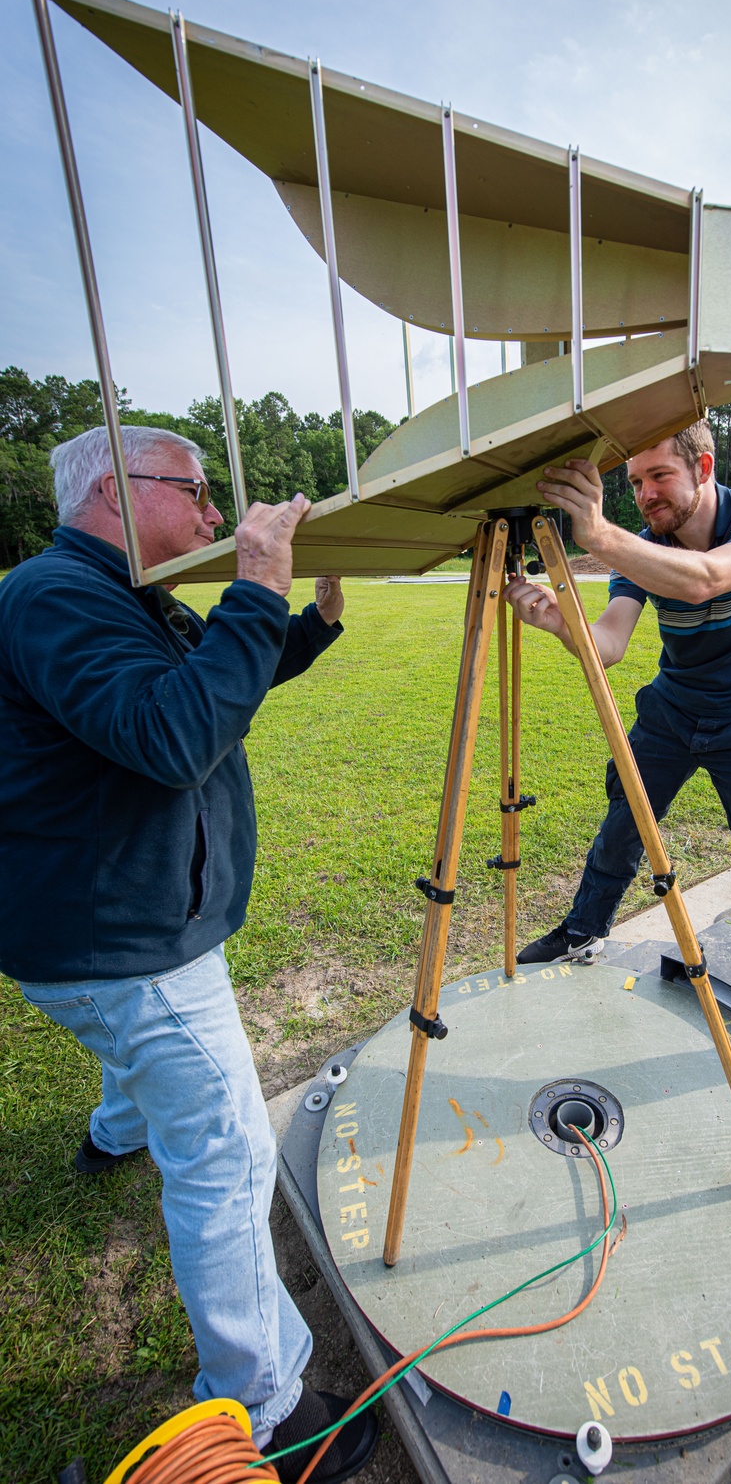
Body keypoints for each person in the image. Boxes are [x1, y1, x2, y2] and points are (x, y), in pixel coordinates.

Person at [0, 426, 377, 1481]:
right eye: (199, 493)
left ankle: (113, 1130)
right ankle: (268, 1404)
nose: (214, 515)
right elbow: (173, 735)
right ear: (121, 490)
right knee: (226, 1151)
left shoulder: (115, 591)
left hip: (97, 928)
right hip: (119, 942)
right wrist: (256, 577)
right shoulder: (53, 596)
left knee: (144, 1067)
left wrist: (309, 622)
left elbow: (216, 676)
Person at [505, 421, 731, 1102]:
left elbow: (710, 579)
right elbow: (609, 645)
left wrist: (599, 532)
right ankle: (584, 929)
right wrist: (558, 620)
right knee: (624, 826)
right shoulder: (644, 548)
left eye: (658, 477)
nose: (644, 494)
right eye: (635, 482)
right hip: (672, 714)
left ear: (702, 465)